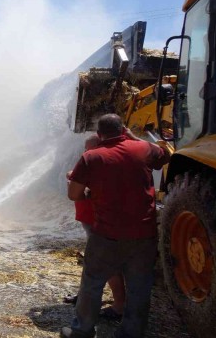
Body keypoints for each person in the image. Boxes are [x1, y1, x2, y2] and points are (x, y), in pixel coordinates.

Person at [60, 114, 171, 338]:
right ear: (123, 130)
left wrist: (91, 193)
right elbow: (166, 154)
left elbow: (74, 194)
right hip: (144, 233)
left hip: (106, 234)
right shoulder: (142, 150)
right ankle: (131, 332)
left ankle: (82, 330)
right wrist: (133, 137)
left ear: (99, 135)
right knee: (139, 287)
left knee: (92, 283)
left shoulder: (92, 157)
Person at [64, 134, 126, 322]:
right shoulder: (95, 162)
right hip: (91, 219)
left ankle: (119, 306)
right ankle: (85, 297)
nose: (85, 152)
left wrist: (75, 181)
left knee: (108, 264)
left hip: (98, 221)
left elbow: (80, 191)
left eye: (88, 148)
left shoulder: (101, 163)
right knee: (92, 260)